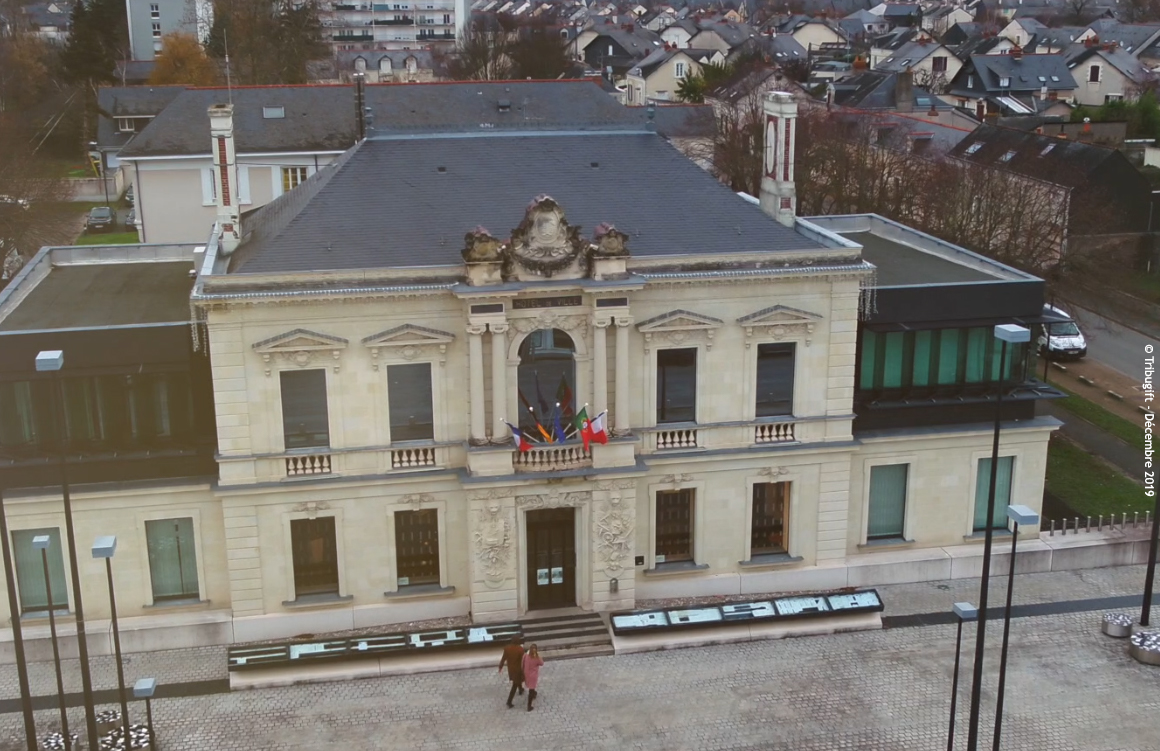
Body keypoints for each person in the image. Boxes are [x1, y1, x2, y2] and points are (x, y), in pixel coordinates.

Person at [498, 635, 525, 708]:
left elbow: (503, 658)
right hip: (518, 669)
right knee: (515, 684)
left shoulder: (507, 648)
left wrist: (500, 666)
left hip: (511, 669)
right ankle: (509, 701)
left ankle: (521, 689)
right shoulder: (520, 649)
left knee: (517, 680)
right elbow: (523, 661)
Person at [521, 643, 545, 712]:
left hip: (526, 674)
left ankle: (534, 693)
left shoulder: (525, 655)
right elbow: (542, 663)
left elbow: (522, 663)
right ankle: (529, 705)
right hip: (533, 676)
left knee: (531, 687)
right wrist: (539, 656)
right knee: (531, 689)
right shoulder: (536, 657)